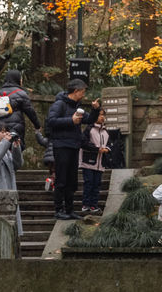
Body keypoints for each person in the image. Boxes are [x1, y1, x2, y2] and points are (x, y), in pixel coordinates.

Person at [46, 78, 100, 220]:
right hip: (62, 146)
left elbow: (89, 120)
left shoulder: (78, 107)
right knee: (61, 179)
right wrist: (70, 120)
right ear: (75, 91)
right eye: (82, 92)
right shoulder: (60, 104)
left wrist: (95, 110)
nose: (84, 95)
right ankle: (59, 210)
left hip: (74, 146)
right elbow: (51, 121)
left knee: (72, 180)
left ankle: (70, 210)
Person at [0, 69, 42, 149]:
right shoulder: (21, 94)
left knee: (0, 154)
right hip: (15, 130)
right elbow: (30, 112)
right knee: (15, 152)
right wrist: (37, 125)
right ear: (17, 79)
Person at [0, 120, 24, 235]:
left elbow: (18, 164)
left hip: (9, 189)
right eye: (1, 132)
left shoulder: (7, 150)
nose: (5, 134)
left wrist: (16, 147)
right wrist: (5, 143)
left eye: (6, 131)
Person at [79, 107, 111, 215]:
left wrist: (107, 149)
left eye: (103, 115)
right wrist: (97, 149)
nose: (102, 117)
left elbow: (110, 144)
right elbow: (83, 143)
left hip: (100, 163)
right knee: (89, 183)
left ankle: (94, 205)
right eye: (99, 115)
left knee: (97, 184)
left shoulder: (106, 132)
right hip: (88, 162)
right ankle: (85, 204)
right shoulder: (89, 129)